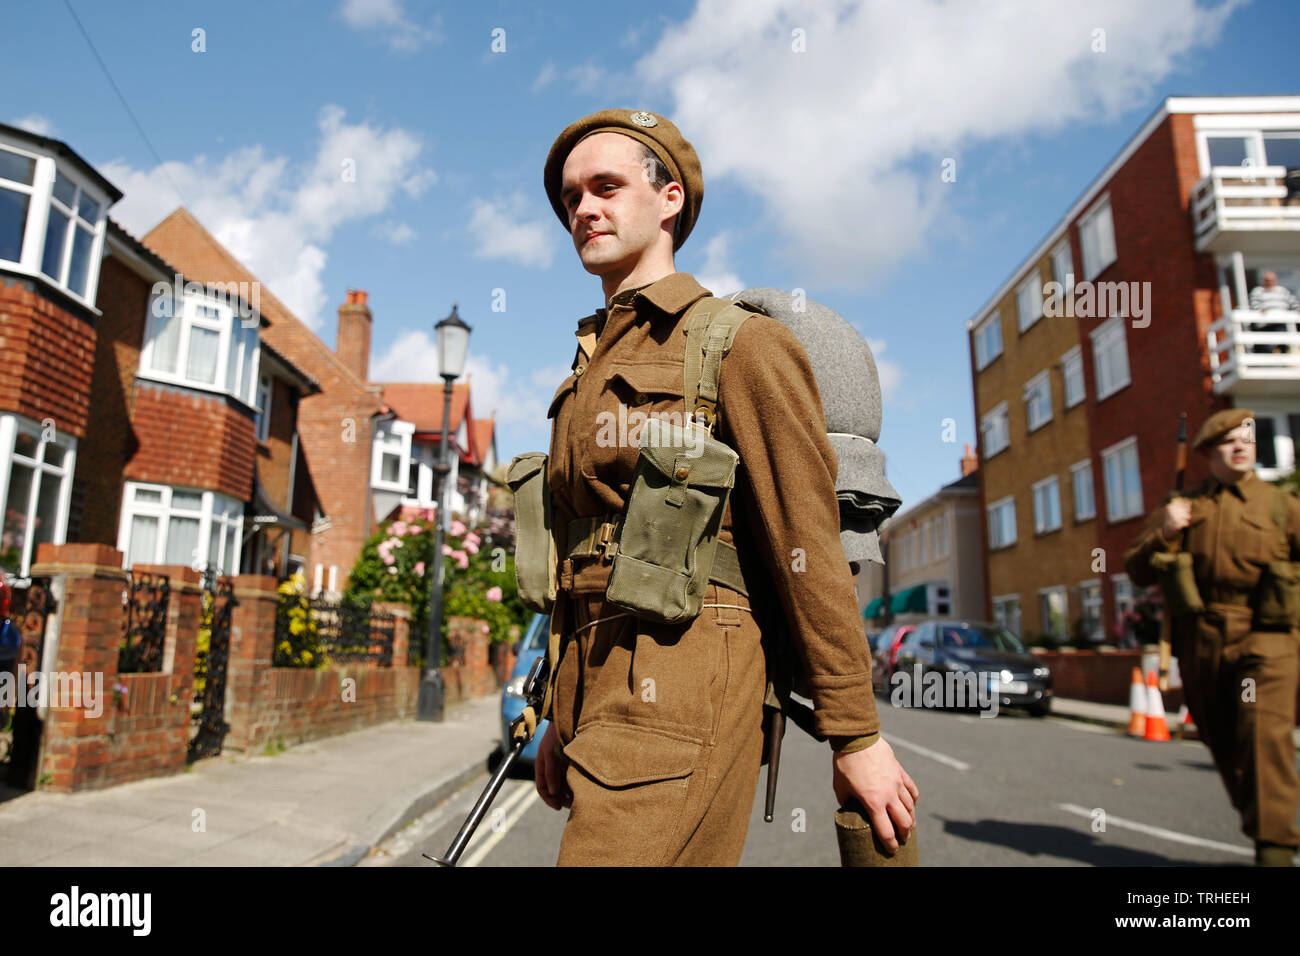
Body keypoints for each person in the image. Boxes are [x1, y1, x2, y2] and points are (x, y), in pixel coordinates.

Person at [532, 108, 917, 865]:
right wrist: (556, 712)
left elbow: (802, 541)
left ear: (669, 198)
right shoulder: (585, 371)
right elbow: (580, 567)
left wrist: (856, 734)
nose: (583, 209)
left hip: (684, 684)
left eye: (605, 186)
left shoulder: (739, 344)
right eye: (571, 197)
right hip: (597, 699)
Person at [1123, 408, 1300, 866]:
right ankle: (1263, 820)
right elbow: (1137, 570)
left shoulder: (1282, 506)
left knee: (1264, 740)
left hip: (1266, 637)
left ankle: (1275, 849)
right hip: (1200, 639)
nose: (1241, 446)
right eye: (1228, 441)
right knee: (1223, 741)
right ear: (1207, 451)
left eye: (1247, 438)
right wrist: (1164, 532)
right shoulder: (1186, 504)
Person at [1247, 272, 1299, 354]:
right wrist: (1262, 310)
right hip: (1265, 325)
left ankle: (1283, 360)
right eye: (1267, 280)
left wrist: (1297, 310)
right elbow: (1254, 306)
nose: (1270, 282)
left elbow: (1293, 303)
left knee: (1283, 343)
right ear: (1263, 281)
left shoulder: (1282, 291)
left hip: (1280, 324)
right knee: (1267, 347)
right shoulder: (1257, 291)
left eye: (1272, 280)